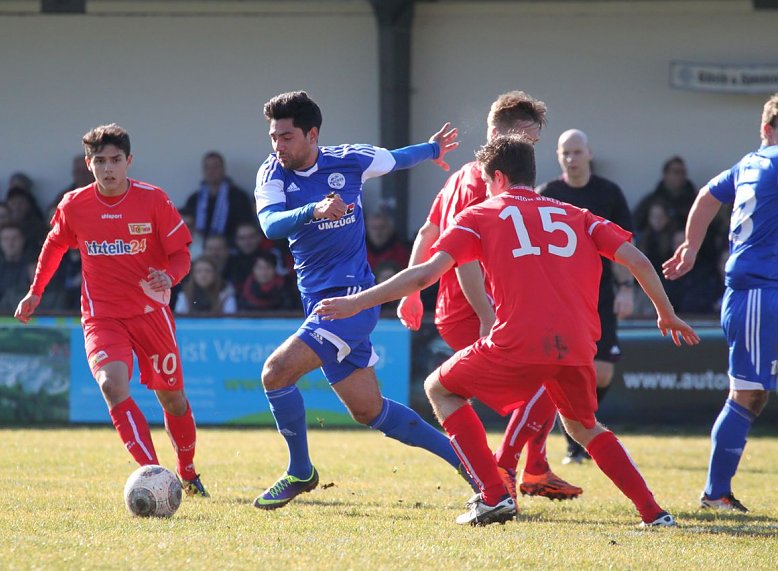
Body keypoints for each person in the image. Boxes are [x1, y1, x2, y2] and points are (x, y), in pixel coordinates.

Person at [316, 135, 699, 527]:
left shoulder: (480, 215)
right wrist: (665, 314)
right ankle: (654, 514)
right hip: (578, 344)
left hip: (517, 339)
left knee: (440, 389)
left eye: (485, 181)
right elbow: (637, 260)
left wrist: (358, 302)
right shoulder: (577, 213)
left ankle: (494, 494)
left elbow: (425, 275)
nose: (483, 188)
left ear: (498, 177)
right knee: (584, 427)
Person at [251, 90, 466, 510]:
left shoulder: (349, 160)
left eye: (287, 137)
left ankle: (300, 472)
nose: (279, 146)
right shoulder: (272, 172)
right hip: (318, 304)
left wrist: (433, 149)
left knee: (275, 373)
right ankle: (466, 459)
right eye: (274, 136)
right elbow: (271, 225)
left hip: (352, 299)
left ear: (313, 135)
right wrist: (314, 210)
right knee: (369, 411)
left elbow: (394, 159)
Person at [399, 91, 581, 509]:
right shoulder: (485, 185)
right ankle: (506, 469)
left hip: (469, 308)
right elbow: (465, 260)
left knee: (548, 378)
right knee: (552, 379)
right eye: (528, 142)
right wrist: (487, 315)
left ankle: (535, 467)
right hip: (475, 309)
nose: (531, 155)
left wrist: (413, 293)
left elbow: (427, 233)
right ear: (498, 133)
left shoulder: (458, 176)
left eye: (535, 145)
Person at [14, 123, 208, 497]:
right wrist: (35, 292)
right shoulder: (74, 205)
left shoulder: (154, 200)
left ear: (129, 161)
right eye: (100, 161)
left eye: (115, 160)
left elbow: (181, 254)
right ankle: (155, 475)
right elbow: (54, 246)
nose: (108, 168)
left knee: (173, 398)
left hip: (151, 315)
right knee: (111, 385)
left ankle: (187, 469)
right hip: (102, 317)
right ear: (88, 164)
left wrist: (169, 276)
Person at [663, 93, 778, 513]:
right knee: (747, 394)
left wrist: (692, 246)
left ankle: (718, 491)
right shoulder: (771, 162)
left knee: (754, 396)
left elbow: (708, 197)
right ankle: (716, 493)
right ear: (768, 129)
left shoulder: (748, 163)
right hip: (760, 294)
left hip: (757, 293)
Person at [538, 129, 635, 464]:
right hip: (558, 299)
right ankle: (574, 445)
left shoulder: (609, 193)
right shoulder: (548, 193)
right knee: (563, 371)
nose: (571, 158)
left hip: (599, 293)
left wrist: (626, 289)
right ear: (558, 156)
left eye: (577, 152)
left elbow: (625, 248)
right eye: (565, 153)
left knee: (603, 372)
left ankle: (583, 428)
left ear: (589, 153)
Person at [183, 151, 256, 241]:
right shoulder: (193, 200)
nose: (211, 171)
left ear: (223, 169)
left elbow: (245, 228)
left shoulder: (239, 197)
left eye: (215, 167)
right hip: (199, 249)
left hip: (230, 250)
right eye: (207, 167)